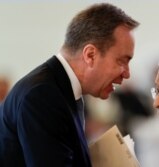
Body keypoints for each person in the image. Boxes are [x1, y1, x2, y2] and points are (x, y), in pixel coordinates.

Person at [0, 3, 139, 167]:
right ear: (90, 55)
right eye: (121, 61)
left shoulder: (61, 88)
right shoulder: (42, 95)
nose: (127, 73)